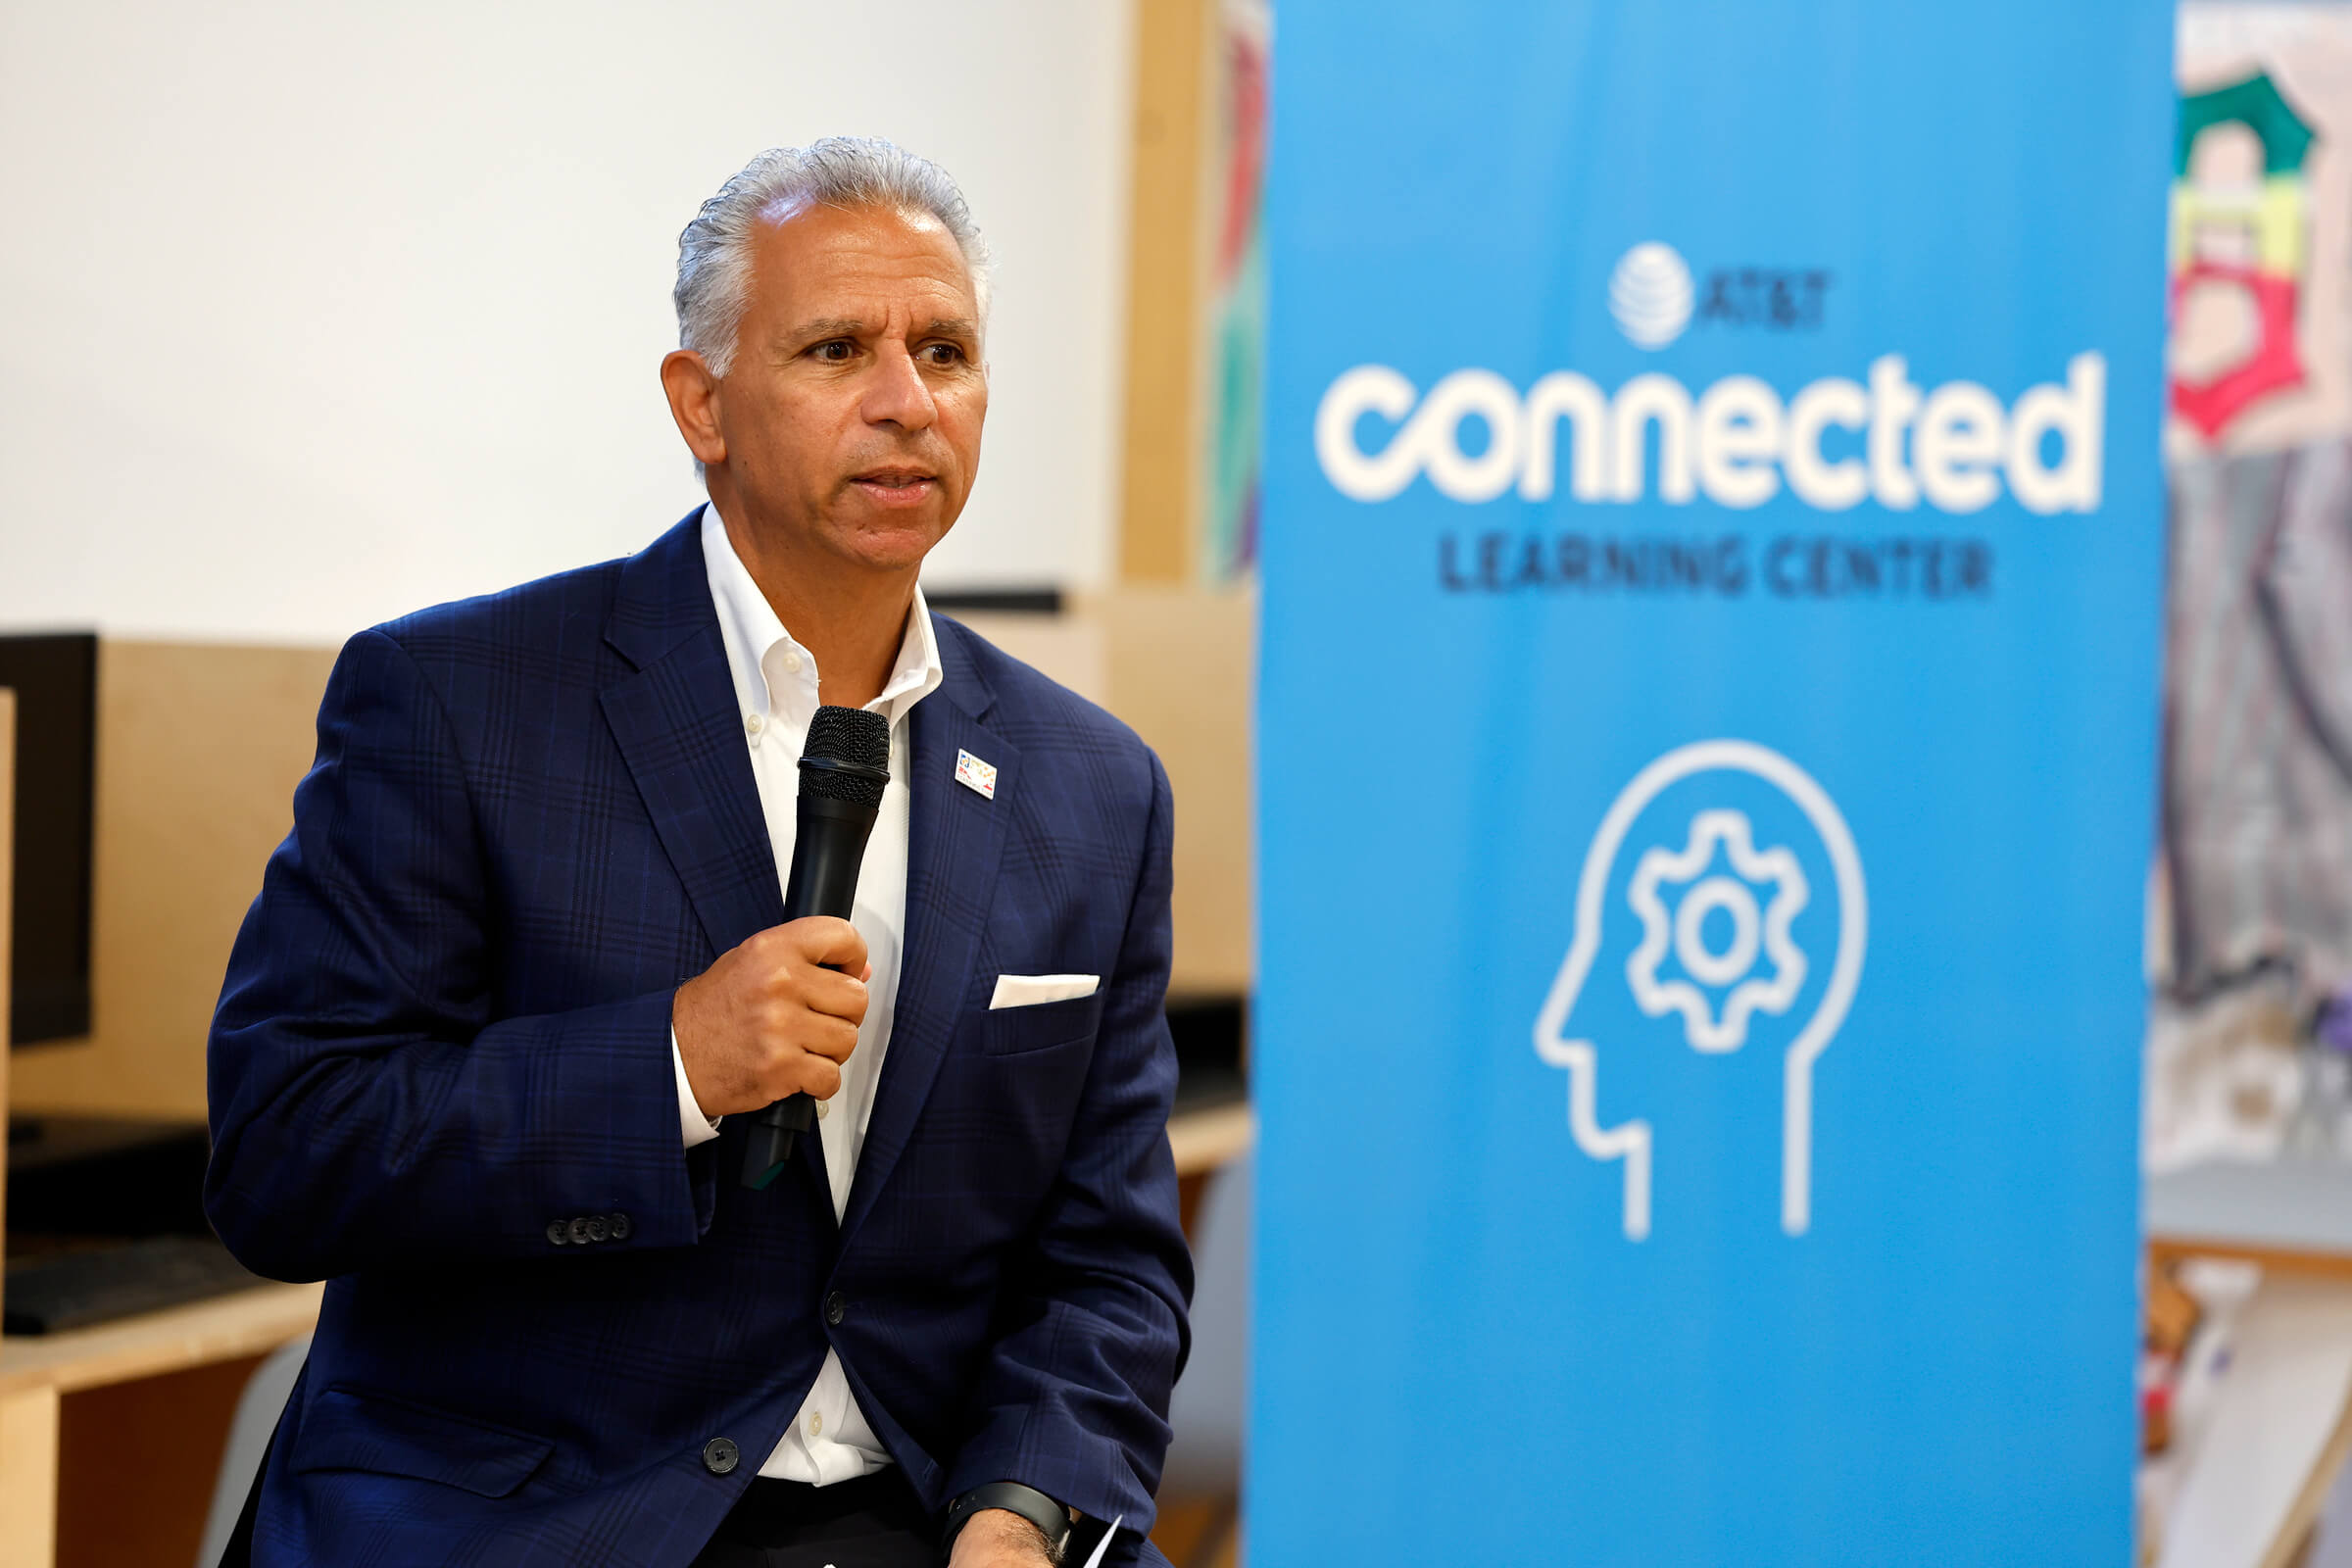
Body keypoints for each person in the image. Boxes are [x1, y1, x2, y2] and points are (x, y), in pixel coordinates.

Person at [206, 137, 1192, 1568]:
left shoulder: (1093, 785)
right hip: (545, 1518)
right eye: (837, 350)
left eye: (946, 353)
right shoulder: (458, 702)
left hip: (926, 1515)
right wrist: (669, 1064)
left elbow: (1109, 1261)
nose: (907, 402)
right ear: (702, 404)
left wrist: (1023, 1510)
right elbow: (285, 1152)